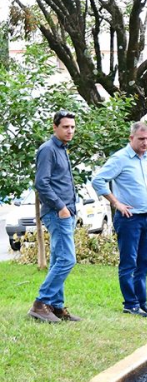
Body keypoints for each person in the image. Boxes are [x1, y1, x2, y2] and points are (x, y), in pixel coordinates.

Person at [92, 122, 147, 318]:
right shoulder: (120, 159)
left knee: (144, 262)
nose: (145, 143)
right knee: (128, 263)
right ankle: (130, 304)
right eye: (141, 139)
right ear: (131, 139)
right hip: (128, 219)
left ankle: (142, 303)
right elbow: (98, 180)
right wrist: (116, 203)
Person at [28, 110, 81, 323]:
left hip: (66, 211)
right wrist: (61, 206)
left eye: (72, 127)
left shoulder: (62, 149)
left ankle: (56, 307)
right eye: (65, 127)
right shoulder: (48, 149)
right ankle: (40, 304)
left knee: (58, 259)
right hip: (57, 212)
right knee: (68, 259)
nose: (70, 131)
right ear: (55, 127)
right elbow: (42, 183)